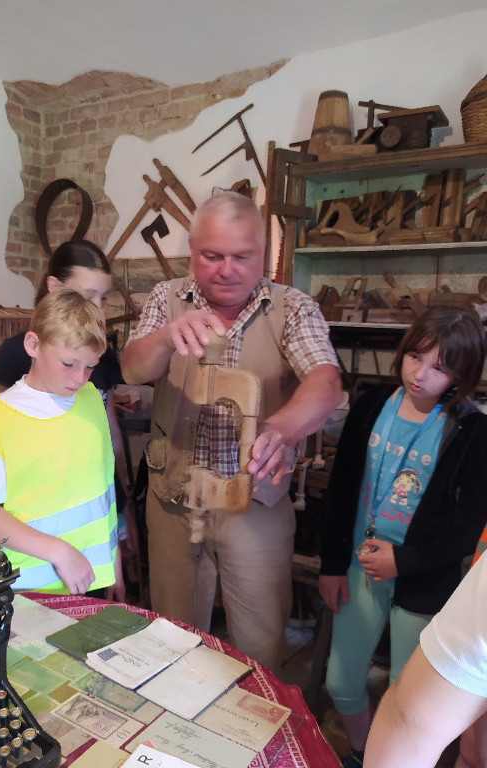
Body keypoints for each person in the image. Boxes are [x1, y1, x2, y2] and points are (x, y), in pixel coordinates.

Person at [120, 191, 342, 671]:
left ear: (263, 253)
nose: (226, 269)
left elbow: (325, 381)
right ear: (192, 251)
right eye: (212, 255)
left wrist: (282, 429)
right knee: (172, 639)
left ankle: (253, 715)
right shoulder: (167, 298)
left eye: (241, 256)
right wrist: (165, 337)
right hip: (174, 498)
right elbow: (134, 369)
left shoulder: (293, 308)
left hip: (255, 502)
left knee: (260, 642)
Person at [318, 306, 487, 768]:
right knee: (340, 682)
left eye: (439, 367)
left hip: (423, 581)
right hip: (358, 568)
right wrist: (331, 563)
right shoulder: (372, 404)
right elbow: (342, 485)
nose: (420, 374)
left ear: (461, 374)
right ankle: (361, 753)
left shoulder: (472, 430)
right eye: (415, 357)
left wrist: (404, 560)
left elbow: (468, 526)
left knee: (407, 699)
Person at [0, 240, 137, 563]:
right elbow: (1, 446)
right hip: (40, 521)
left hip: (97, 511)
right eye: (88, 295)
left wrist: (124, 507)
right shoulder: (17, 355)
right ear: (54, 288)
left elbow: (111, 434)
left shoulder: (102, 358)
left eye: (104, 297)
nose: (98, 308)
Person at [0, 289, 123, 596]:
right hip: (28, 589)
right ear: (33, 345)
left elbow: (103, 492)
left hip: (92, 578)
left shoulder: (91, 398)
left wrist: (113, 561)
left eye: (90, 366)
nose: (80, 377)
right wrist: (59, 552)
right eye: (69, 363)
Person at [364, 550, 487, 768]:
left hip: (427, 587)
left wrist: (403, 561)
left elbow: (408, 720)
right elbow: (409, 721)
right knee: (474, 751)